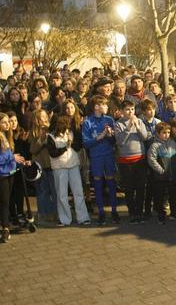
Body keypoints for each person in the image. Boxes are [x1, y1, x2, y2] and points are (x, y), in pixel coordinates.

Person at [0, 112, 27, 243]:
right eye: (4, 122)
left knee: (9, 200)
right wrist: (11, 157)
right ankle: (5, 228)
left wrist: (17, 161)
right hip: (1, 174)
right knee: (4, 203)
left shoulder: (5, 136)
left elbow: (9, 155)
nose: (8, 124)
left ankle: (11, 222)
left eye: (8, 122)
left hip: (10, 172)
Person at [47, 114, 90, 226]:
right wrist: (65, 147)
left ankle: (83, 217)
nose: (69, 126)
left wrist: (71, 142)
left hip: (73, 165)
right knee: (62, 194)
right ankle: (64, 219)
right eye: (67, 123)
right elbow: (53, 153)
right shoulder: (51, 136)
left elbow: (78, 146)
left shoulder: (71, 133)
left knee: (78, 192)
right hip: (59, 167)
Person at [82, 95, 119, 224]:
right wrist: (99, 137)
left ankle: (114, 211)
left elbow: (114, 141)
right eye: (104, 105)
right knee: (97, 184)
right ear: (96, 107)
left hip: (108, 155)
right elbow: (86, 143)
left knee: (111, 183)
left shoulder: (109, 119)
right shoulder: (88, 122)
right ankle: (101, 212)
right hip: (96, 157)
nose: (107, 107)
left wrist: (109, 135)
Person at [115, 100, 152, 224]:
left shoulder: (140, 121)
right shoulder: (118, 124)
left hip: (139, 159)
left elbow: (145, 137)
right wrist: (129, 127)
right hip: (125, 161)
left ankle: (139, 212)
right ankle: (132, 213)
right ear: (121, 111)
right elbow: (120, 141)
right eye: (127, 109)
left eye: (132, 109)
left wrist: (137, 126)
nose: (130, 112)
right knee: (129, 188)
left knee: (141, 188)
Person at [146, 122, 176, 223]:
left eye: (168, 132)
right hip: (160, 177)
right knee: (159, 196)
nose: (167, 135)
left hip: (172, 176)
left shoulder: (173, 143)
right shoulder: (155, 145)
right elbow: (151, 160)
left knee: (173, 195)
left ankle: (173, 212)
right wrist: (161, 170)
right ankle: (161, 214)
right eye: (164, 132)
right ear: (158, 133)